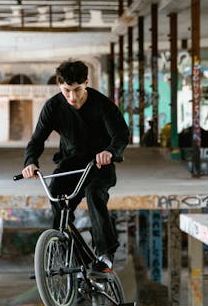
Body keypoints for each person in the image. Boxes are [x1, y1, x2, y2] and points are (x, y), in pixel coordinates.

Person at [21, 60, 129, 276]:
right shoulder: (53, 107)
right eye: (66, 91)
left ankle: (105, 253)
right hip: (71, 164)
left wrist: (110, 151)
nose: (72, 97)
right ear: (60, 86)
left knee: (94, 194)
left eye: (77, 90)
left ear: (86, 83)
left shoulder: (102, 104)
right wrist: (30, 162)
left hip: (99, 164)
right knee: (55, 195)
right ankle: (67, 248)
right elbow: (36, 140)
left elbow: (121, 135)